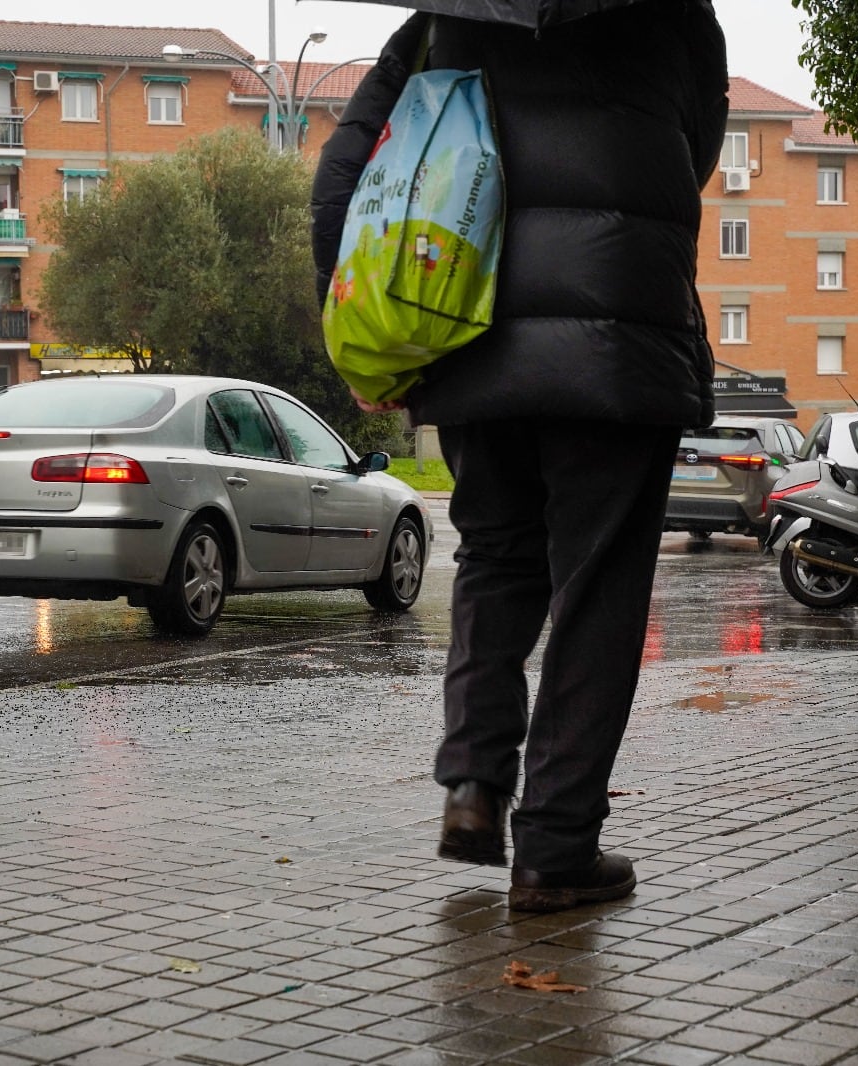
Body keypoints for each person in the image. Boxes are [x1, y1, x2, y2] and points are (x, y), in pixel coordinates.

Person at [311, 0, 728, 912]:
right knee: (598, 591)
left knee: (495, 560)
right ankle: (555, 849)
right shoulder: (675, 14)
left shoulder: (443, 19)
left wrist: (354, 333)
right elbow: (695, 151)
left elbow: (344, 170)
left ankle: (473, 784)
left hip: (470, 327)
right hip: (621, 331)